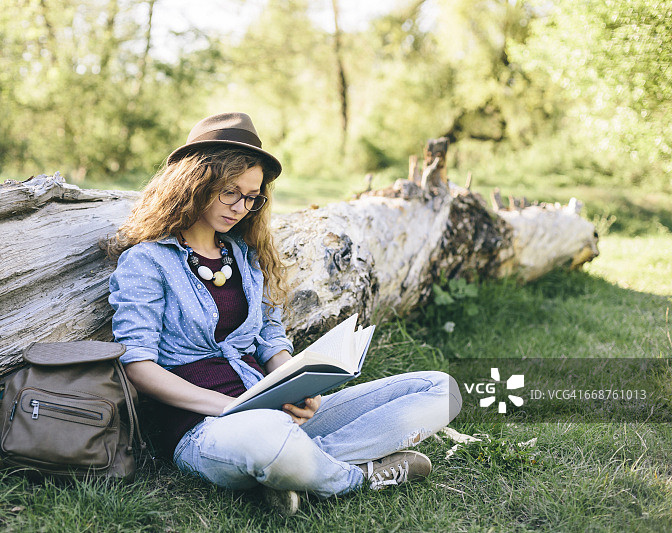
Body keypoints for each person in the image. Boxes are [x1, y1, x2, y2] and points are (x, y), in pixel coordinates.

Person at [106, 112, 462, 514]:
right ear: (195, 183)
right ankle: (358, 477)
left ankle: (295, 469)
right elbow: (138, 365)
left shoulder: (245, 257)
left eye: (252, 196)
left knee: (439, 390)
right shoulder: (147, 262)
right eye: (230, 192)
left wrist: (297, 387)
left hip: (274, 409)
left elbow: (270, 339)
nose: (242, 207)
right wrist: (229, 408)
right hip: (207, 428)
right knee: (268, 437)